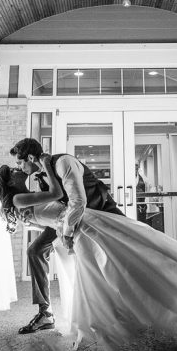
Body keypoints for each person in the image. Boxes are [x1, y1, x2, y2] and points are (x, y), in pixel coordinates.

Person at [0, 161, 177, 351]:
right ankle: (108, 315)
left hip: (82, 222)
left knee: (134, 244)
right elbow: (56, 197)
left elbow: (47, 214)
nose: (18, 169)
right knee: (115, 262)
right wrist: (47, 167)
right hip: (81, 225)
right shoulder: (20, 200)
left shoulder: (25, 197)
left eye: (18, 164)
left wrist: (61, 227)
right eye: (13, 170)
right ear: (9, 182)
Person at [8, 137, 123, 335]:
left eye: (19, 162)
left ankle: (114, 308)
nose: (19, 168)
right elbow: (57, 211)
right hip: (69, 219)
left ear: (29, 157)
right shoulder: (42, 177)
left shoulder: (63, 163)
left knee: (114, 259)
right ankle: (46, 314)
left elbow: (78, 201)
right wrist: (28, 220)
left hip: (100, 213)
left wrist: (67, 234)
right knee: (35, 250)